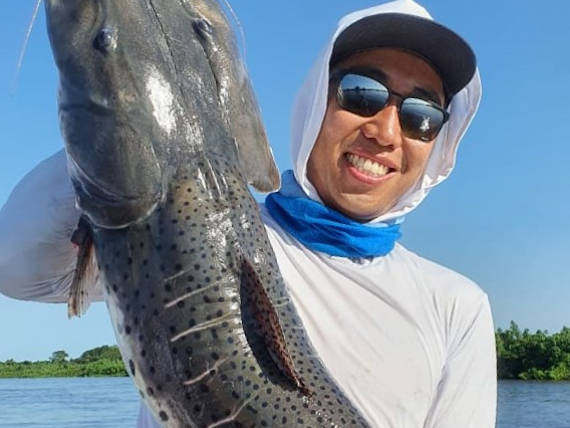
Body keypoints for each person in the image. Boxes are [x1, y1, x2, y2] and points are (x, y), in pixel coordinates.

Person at [0, 0, 496, 427]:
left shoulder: (455, 308)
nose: (386, 132)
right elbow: (15, 268)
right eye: (362, 93)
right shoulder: (183, 229)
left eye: (422, 116)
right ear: (314, 101)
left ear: (440, 143)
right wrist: (125, 122)